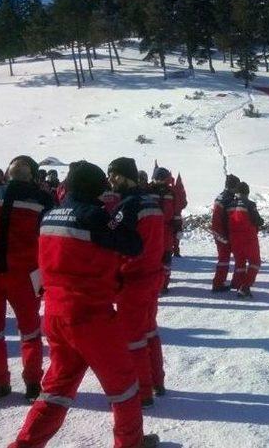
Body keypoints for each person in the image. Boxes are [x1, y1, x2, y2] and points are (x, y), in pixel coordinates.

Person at [8, 161, 159, 448]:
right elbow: (132, 244)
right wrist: (120, 214)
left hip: (54, 315)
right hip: (91, 318)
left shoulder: (50, 215)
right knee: (124, 386)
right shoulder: (96, 217)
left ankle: (24, 445)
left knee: (56, 390)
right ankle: (131, 443)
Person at [107, 158, 166, 407]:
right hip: (153, 276)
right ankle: (157, 381)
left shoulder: (127, 207)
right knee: (150, 330)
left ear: (122, 176)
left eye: (113, 176)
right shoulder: (151, 202)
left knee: (133, 338)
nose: (110, 181)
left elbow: (112, 239)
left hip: (133, 279)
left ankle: (142, 393)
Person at [0, 156, 53, 401]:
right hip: (26, 274)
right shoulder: (42, 199)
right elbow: (52, 239)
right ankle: (32, 384)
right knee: (30, 332)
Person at [226, 181, 263, 298]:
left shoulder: (230, 204)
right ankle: (245, 287)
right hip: (248, 237)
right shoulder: (250, 204)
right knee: (255, 262)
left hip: (234, 238)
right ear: (247, 192)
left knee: (240, 262)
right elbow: (257, 220)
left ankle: (238, 284)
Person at [211, 174, 240, 293]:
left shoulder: (222, 196)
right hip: (222, 233)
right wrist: (223, 236)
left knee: (224, 258)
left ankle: (220, 282)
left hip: (220, 232)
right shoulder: (227, 198)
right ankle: (218, 284)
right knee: (224, 259)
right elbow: (223, 218)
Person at [149, 167, 175, 295]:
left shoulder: (170, 192)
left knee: (166, 259)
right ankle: (154, 284)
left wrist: (178, 225)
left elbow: (176, 210)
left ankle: (163, 285)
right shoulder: (147, 191)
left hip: (167, 230)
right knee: (153, 259)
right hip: (152, 229)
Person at [171, 174, 187, 258]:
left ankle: (169, 250)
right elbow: (184, 203)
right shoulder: (179, 190)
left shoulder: (168, 190)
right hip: (177, 217)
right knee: (177, 235)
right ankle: (176, 251)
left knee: (170, 234)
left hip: (169, 217)